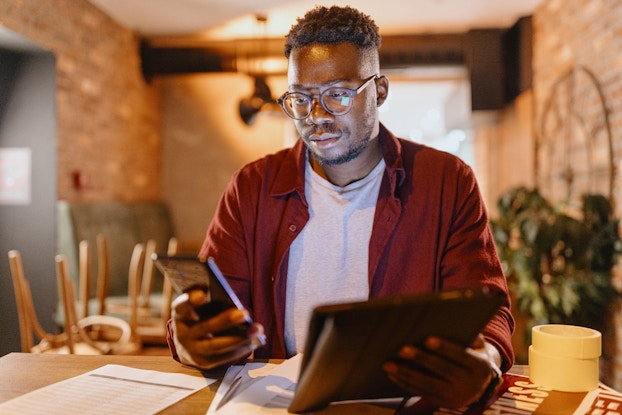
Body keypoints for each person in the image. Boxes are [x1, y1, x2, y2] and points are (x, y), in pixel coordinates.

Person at [169, 5, 514, 410]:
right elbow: (209, 313)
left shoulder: (447, 181)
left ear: (379, 90)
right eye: (301, 98)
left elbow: (490, 311)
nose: (316, 117)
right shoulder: (251, 188)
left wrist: (486, 365)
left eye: (337, 95)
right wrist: (192, 343)